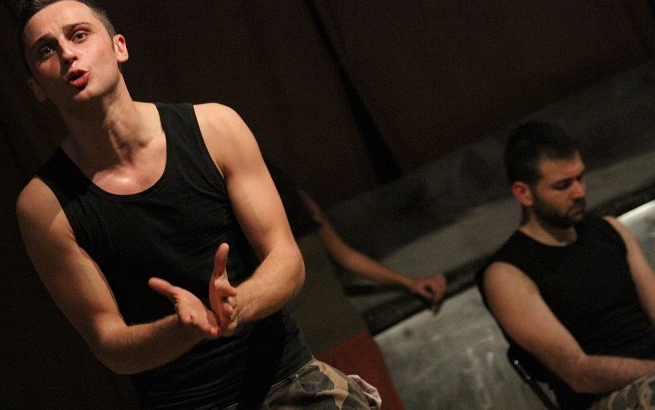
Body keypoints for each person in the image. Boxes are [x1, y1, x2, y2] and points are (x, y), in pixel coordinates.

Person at [14, 0, 380, 409]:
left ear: (119, 47)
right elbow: (109, 342)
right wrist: (183, 328)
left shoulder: (215, 128)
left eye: (78, 35)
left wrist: (234, 306)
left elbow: (286, 261)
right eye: (46, 50)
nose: (67, 54)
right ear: (37, 88)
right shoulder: (44, 204)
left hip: (288, 381)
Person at [477, 121, 655, 409]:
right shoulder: (507, 273)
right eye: (563, 185)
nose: (579, 192)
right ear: (523, 193)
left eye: (580, 178)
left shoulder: (609, 230)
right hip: (602, 397)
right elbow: (578, 373)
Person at [267, 162, 447, 410]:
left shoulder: (295, 202)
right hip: (303, 358)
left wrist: (409, 282)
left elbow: (347, 256)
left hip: (347, 333)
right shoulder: (234, 228)